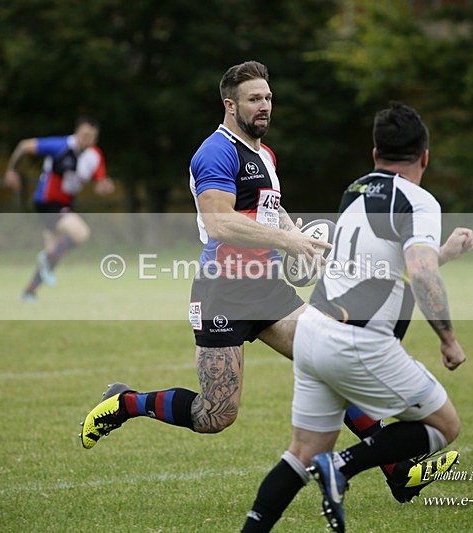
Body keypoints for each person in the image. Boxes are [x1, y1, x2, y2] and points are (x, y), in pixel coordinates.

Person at [241, 102, 472, 532]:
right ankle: (341, 467)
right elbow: (419, 274)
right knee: (444, 425)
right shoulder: (419, 202)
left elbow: (391, 270)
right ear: (425, 156)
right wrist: (448, 339)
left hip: (313, 333)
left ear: (374, 155)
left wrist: (445, 255)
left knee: (301, 452)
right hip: (359, 342)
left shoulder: (356, 190)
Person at [79, 60, 329, 447]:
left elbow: (268, 209)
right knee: (214, 415)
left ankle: (397, 466)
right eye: (253, 99)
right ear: (230, 105)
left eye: (267, 97)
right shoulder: (216, 153)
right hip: (223, 293)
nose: (264, 106)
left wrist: (294, 234)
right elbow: (220, 224)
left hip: (268, 289)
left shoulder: (265, 155)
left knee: (334, 361)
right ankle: (126, 402)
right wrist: (288, 243)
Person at [4, 116, 115, 301]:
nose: (88, 139)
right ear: (77, 132)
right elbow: (24, 146)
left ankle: (29, 292)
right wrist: (12, 170)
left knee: (54, 253)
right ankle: (46, 260)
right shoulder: (60, 146)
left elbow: (98, 183)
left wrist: (103, 187)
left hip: (65, 205)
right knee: (81, 233)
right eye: (85, 134)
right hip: (46, 202)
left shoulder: (95, 156)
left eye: (92, 136)